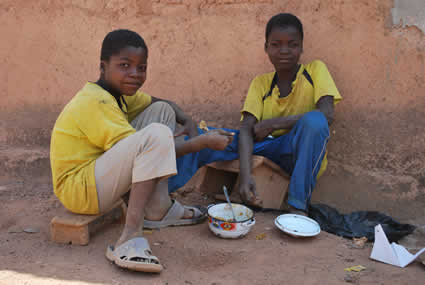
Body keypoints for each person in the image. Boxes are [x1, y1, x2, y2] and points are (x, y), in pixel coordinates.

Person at [50, 29, 233, 273]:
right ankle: (129, 237)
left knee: (162, 113)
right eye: (125, 65)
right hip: (80, 191)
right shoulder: (96, 101)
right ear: (103, 67)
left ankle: (157, 209)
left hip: (97, 176)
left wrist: (186, 118)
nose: (135, 75)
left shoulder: (117, 93)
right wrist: (202, 142)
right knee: (157, 134)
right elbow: (149, 148)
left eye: (141, 67)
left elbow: (162, 104)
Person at [167, 13, 342, 217]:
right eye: (276, 44)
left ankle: (298, 207)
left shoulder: (315, 70)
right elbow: (247, 129)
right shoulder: (261, 83)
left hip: (296, 152)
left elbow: (327, 114)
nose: (284, 51)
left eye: (292, 44)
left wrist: (274, 124)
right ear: (266, 48)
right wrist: (245, 174)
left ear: (302, 47)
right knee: (201, 137)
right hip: (266, 146)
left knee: (315, 121)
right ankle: (159, 196)